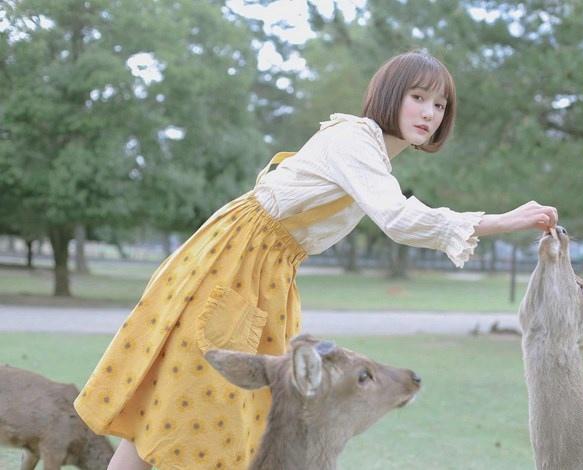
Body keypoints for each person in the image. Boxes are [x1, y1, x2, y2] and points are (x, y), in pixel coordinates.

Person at [74, 50, 557, 470]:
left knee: (215, 407)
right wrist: (500, 220)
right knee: (201, 402)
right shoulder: (355, 140)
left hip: (266, 271)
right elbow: (397, 217)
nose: (430, 112)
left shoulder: (373, 155)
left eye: (440, 104)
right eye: (418, 97)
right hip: (236, 264)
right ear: (389, 94)